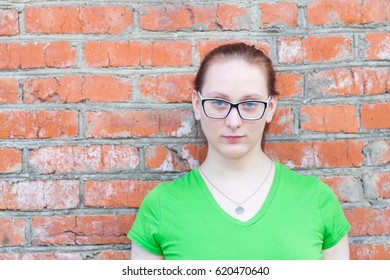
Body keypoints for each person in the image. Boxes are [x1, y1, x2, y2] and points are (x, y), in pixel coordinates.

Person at [128, 42, 351, 260]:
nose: (233, 121)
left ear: (270, 108)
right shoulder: (161, 206)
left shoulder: (317, 200)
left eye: (250, 104)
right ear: (197, 104)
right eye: (219, 103)